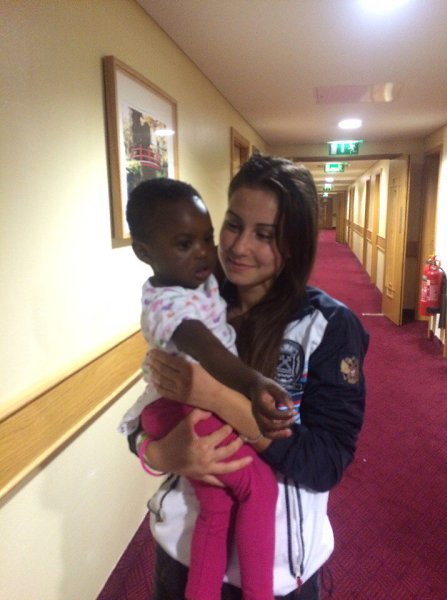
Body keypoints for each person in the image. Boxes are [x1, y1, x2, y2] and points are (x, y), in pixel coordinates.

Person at [132, 155, 369, 600]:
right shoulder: (193, 300)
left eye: (265, 235)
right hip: (183, 551)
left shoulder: (329, 327)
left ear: (293, 244)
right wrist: (159, 453)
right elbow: (149, 409)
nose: (238, 247)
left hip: (277, 570)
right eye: (233, 225)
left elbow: (326, 462)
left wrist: (220, 399)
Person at [120, 177, 294, 600]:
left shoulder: (193, 277)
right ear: (144, 252)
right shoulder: (168, 304)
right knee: (260, 488)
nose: (204, 252)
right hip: (180, 406)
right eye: (185, 244)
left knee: (216, 507)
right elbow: (207, 349)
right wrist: (253, 382)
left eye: (206, 237)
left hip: (174, 405)